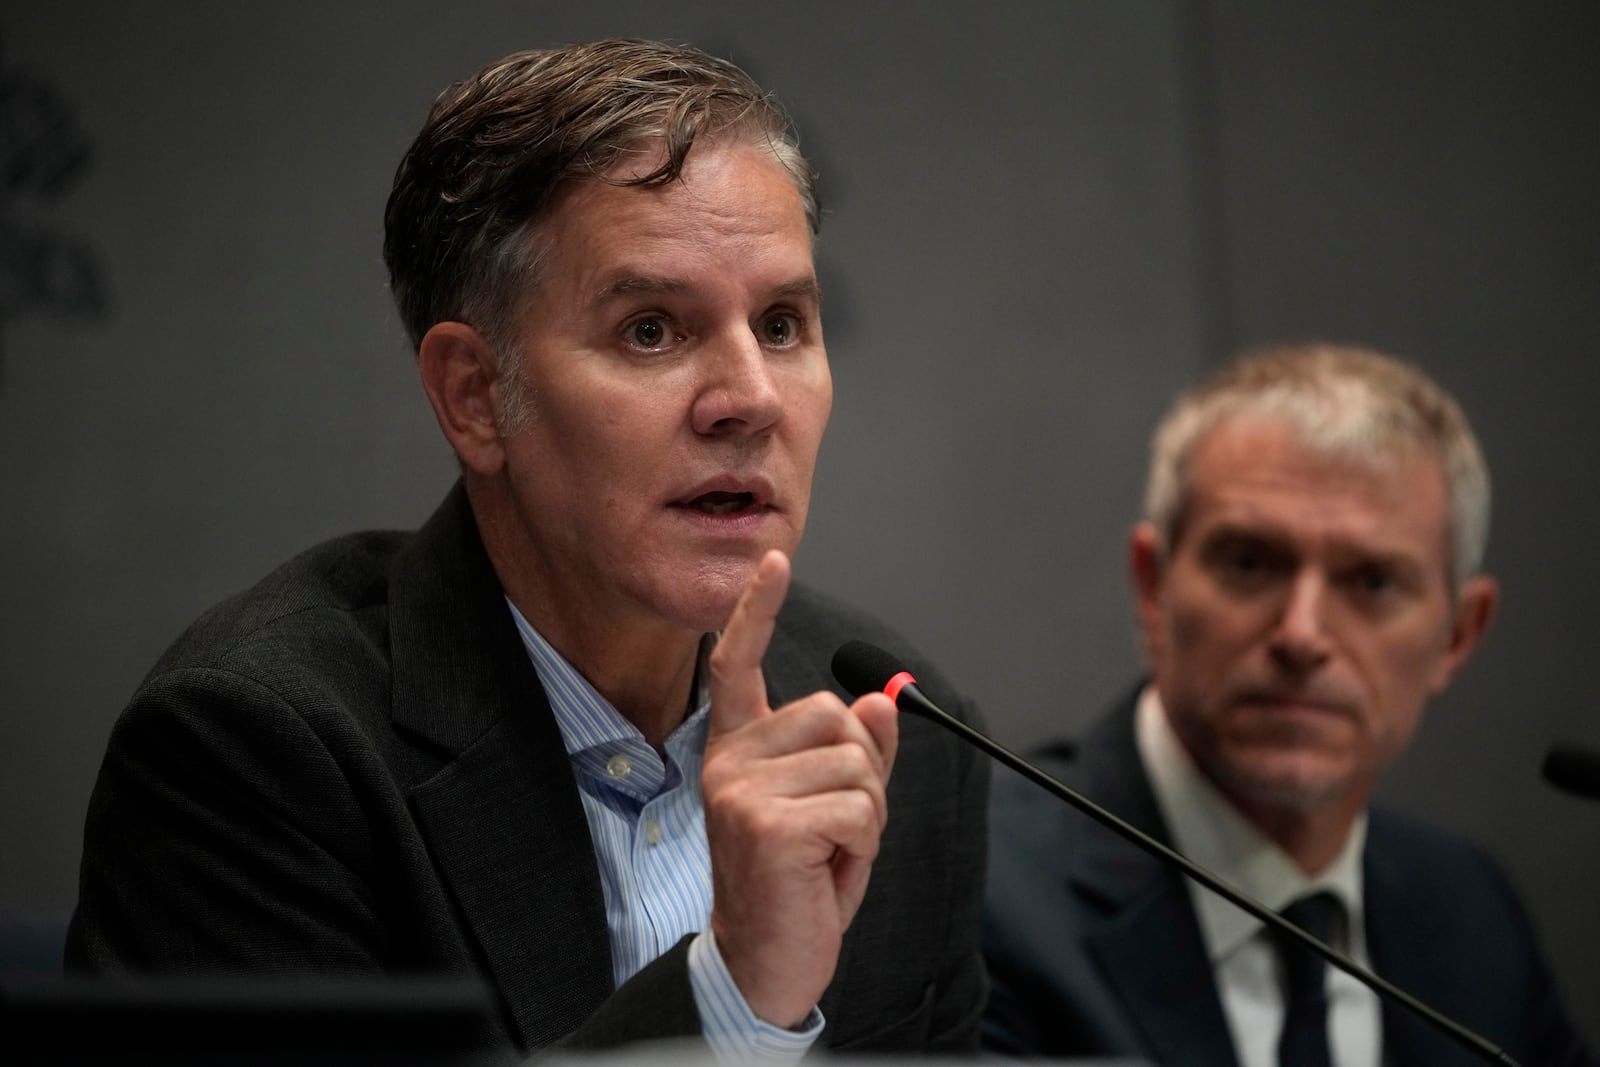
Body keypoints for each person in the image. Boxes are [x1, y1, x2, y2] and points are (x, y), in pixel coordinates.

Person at [67, 38, 988, 1059]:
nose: (751, 399)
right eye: (651, 330)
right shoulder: (262, 752)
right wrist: (731, 995)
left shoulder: (907, 743)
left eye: (781, 323)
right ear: (475, 396)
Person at [982, 343, 1594, 1066]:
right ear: (1154, 586)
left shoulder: (1470, 914)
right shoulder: (985, 890)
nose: (1303, 634)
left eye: (1372, 582)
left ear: (1458, 634)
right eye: (1250, 562)